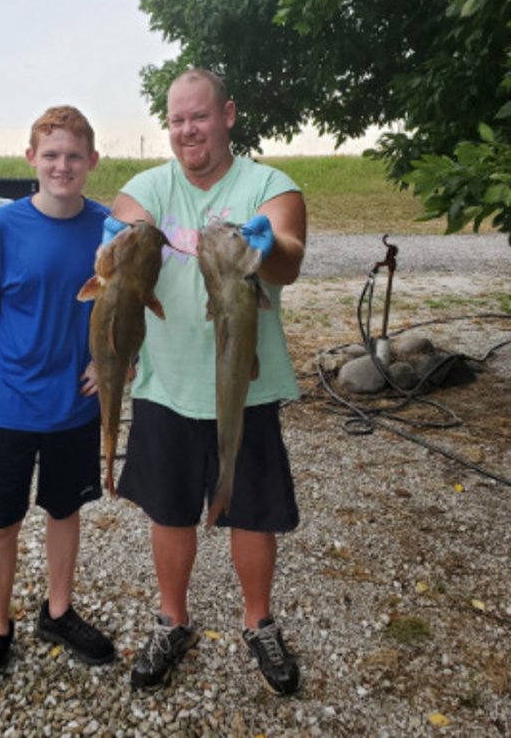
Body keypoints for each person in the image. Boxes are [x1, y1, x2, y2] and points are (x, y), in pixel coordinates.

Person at [108, 68, 306, 696]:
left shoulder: (268, 185)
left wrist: (266, 245)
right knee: (169, 512)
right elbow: (119, 242)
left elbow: (292, 256)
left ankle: (258, 622)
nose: (187, 130)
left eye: (199, 116)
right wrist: (113, 249)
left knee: (253, 513)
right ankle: (173, 619)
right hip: (165, 384)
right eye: (176, 120)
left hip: (247, 384)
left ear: (228, 114)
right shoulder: (147, 187)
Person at [0, 105, 116, 708]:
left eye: (74, 156)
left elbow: (133, 301)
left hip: (75, 408)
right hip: (12, 405)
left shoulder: (108, 230)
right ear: (31, 160)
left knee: (64, 511)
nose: (62, 166)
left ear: (92, 162)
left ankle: (58, 609)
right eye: (51, 155)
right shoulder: (0, 231)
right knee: (2, 522)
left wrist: (111, 361)